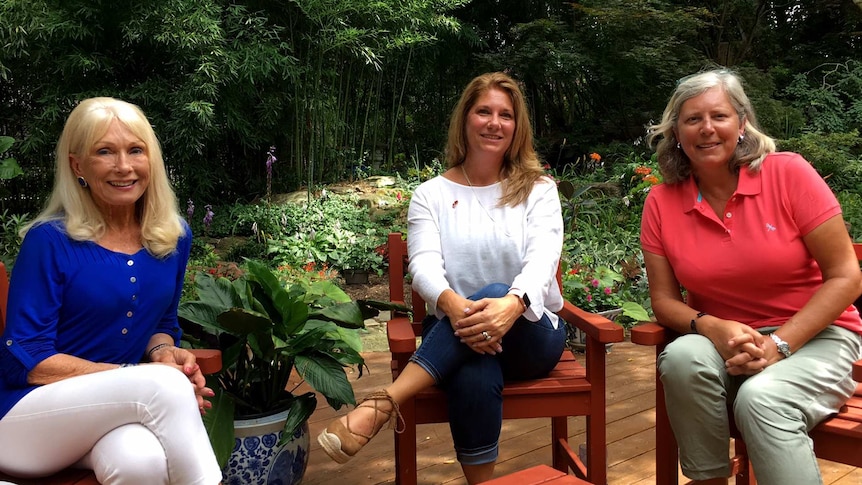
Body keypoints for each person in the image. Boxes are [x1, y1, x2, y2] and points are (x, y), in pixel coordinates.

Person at [318, 72, 566, 483]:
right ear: (465, 119)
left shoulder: (538, 189)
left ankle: (383, 403)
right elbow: (425, 267)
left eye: (505, 115)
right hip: (458, 331)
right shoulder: (430, 194)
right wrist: (454, 305)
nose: (494, 122)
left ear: (516, 127)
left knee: (493, 292)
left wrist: (511, 303)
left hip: (530, 332)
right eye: (483, 111)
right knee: (472, 371)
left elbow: (542, 259)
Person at [641, 68, 862, 485]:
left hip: (817, 336)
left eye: (719, 116)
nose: (707, 129)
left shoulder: (788, 174)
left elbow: (846, 277)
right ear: (676, 133)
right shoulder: (661, 200)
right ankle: (710, 480)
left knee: (762, 399)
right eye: (692, 119)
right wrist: (711, 326)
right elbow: (664, 300)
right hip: (725, 341)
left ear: (742, 124)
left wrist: (779, 344)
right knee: (683, 358)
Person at [0, 97, 223, 484]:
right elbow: (29, 361)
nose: (124, 166)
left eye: (135, 150)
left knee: (141, 461)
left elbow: (163, 323)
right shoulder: (49, 241)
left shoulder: (171, 238)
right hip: (23, 420)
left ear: (151, 159)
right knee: (163, 386)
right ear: (78, 166)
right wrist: (145, 380)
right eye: (105, 151)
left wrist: (162, 352)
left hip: (114, 414)